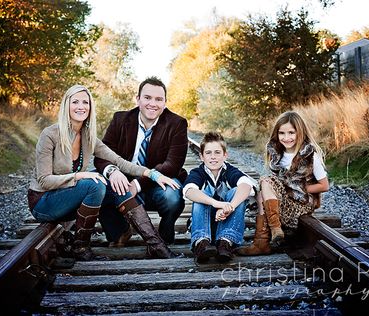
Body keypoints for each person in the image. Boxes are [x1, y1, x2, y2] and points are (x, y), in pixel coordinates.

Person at [27, 84, 180, 261]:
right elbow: (44, 181)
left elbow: (120, 162)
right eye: (75, 102)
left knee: (118, 184)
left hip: (68, 199)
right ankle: (80, 248)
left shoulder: (88, 136)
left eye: (85, 102)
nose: (81, 106)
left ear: (90, 107)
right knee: (95, 183)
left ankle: (156, 245)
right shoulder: (50, 135)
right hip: (44, 202)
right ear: (66, 106)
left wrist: (152, 174)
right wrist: (80, 175)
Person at [94, 76, 188, 246]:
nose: (153, 103)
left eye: (158, 99)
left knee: (172, 196)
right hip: (123, 181)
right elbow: (102, 155)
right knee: (96, 184)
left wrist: (137, 185)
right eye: (147, 98)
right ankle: (120, 230)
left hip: (157, 183)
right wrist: (113, 172)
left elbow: (172, 165)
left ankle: (165, 230)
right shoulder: (120, 120)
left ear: (165, 103)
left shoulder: (177, 124)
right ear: (137, 99)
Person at [237, 111, 329, 256]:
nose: (286, 138)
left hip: (300, 206)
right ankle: (264, 239)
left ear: (300, 132)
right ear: (277, 134)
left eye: (291, 133)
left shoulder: (310, 156)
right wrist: (282, 190)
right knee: (263, 188)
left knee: (265, 182)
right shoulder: (277, 154)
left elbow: (324, 186)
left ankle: (269, 234)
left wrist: (293, 189)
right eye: (282, 133)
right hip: (283, 203)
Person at [183, 132, 258, 263]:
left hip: (225, 221)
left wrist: (229, 207)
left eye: (217, 152)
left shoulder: (229, 171)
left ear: (225, 155)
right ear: (201, 156)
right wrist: (216, 203)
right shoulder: (198, 172)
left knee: (237, 191)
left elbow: (246, 185)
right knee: (201, 193)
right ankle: (201, 244)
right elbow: (189, 191)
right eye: (208, 153)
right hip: (204, 223)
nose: (213, 157)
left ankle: (226, 243)